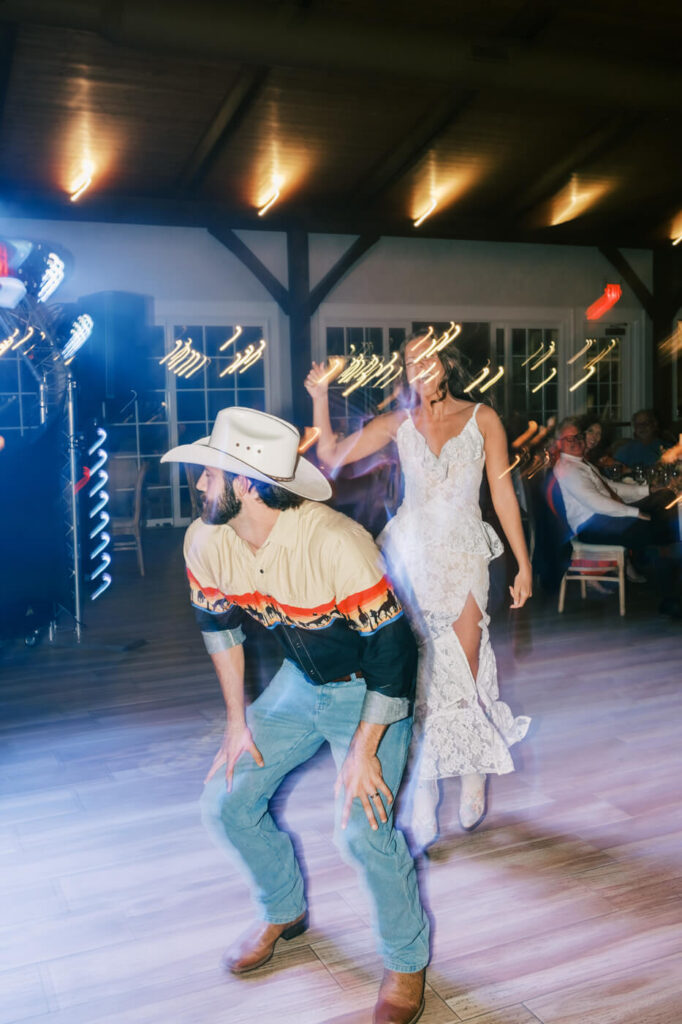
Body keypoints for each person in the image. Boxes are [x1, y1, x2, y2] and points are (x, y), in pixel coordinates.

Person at [161, 407, 429, 1024]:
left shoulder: (335, 542)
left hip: (371, 690)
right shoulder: (206, 539)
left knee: (363, 831)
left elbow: (395, 654)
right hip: (299, 683)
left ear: (247, 484)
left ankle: (406, 959)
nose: (199, 485)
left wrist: (363, 753)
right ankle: (283, 909)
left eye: (208, 474)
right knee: (225, 800)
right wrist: (236, 726)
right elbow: (219, 627)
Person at [305, 333, 532, 852]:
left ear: (447, 364)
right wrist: (321, 396)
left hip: (465, 553)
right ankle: (426, 791)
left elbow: (501, 492)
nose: (418, 368)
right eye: (409, 362)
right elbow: (334, 455)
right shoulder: (398, 423)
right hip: (409, 556)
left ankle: (474, 770)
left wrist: (522, 563)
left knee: (467, 664)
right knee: (420, 671)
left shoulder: (483, 419)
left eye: (427, 358)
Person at [553, 418, 682, 616]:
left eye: (578, 436)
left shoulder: (581, 463)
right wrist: (636, 513)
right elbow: (595, 502)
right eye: (568, 438)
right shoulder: (568, 469)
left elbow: (611, 487)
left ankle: (667, 548)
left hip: (605, 518)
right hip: (592, 527)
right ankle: (670, 599)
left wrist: (648, 490)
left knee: (664, 497)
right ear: (559, 442)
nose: (576, 441)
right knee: (659, 532)